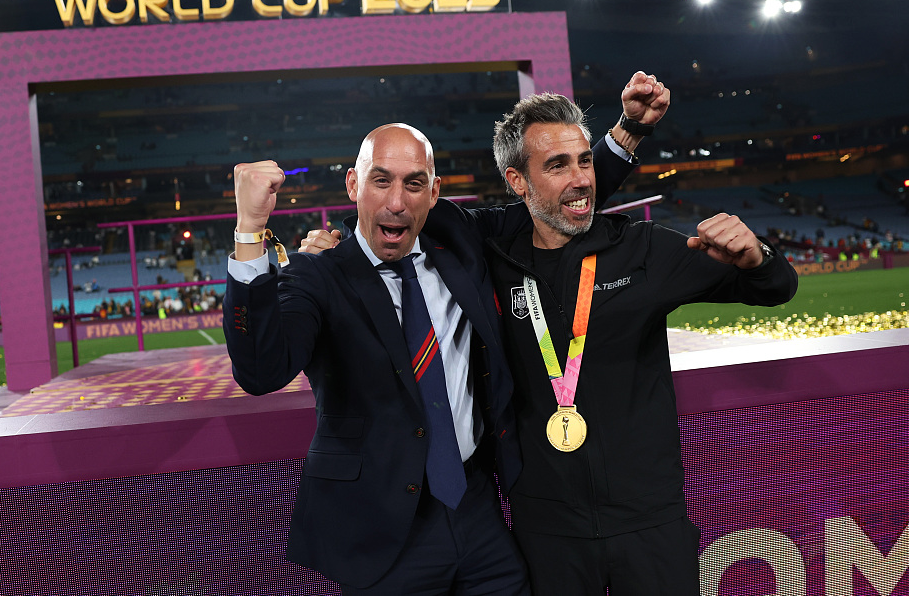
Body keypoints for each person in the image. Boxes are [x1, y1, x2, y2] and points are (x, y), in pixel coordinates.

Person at [260, 74, 669, 593]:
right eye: (380, 180)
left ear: (434, 193)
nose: (395, 203)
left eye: (413, 184)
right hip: (386, 529)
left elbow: (555, 202)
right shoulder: (320, 271)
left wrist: (628, 133)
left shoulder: (457, 237)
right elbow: (262, 369)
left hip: (478, 511)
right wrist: (249, 231)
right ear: (353, 185)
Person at [483, 93, 798, 595]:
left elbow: (775, 289)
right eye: (558, 165)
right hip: (547, 533)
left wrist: (758, 255)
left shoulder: (643, 250)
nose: (582, 178)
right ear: (517, 180)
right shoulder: (492, 262)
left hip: (650, 523)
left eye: (586, 160)